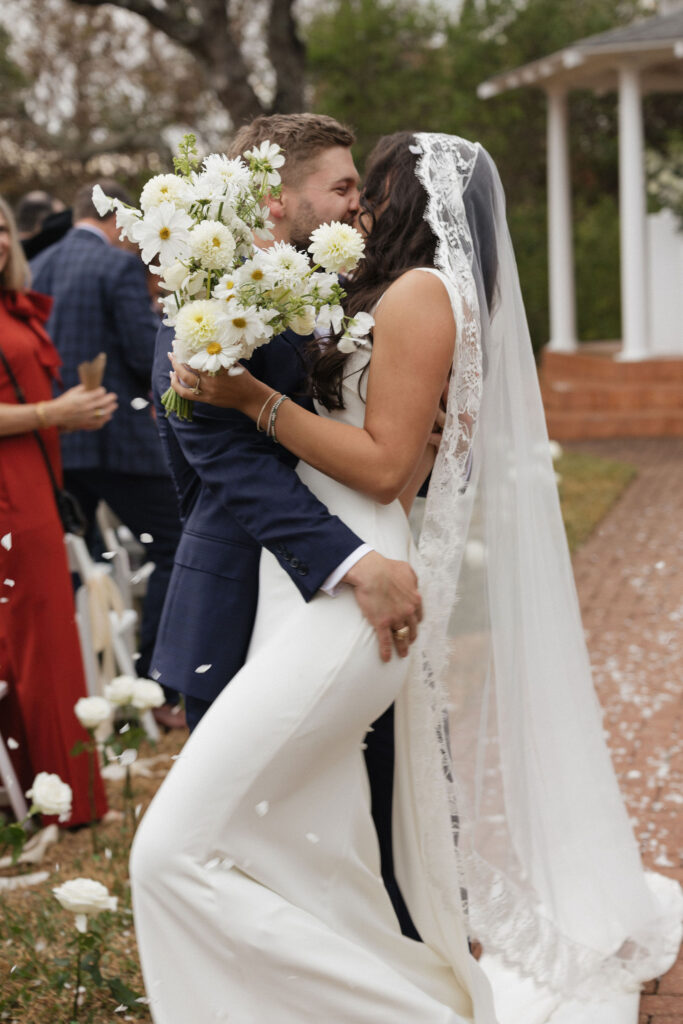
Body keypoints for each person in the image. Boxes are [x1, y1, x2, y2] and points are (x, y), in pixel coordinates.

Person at [131, 132, 682, 1023]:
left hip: (355, 572)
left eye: (366, 185)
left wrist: (253, 402)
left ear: (404, 193)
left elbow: (387, 467)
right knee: (319, 848)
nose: (358, 206)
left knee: (176, 852)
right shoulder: (354, 295)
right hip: (310, 576)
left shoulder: (420, 293)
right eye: (346, 188)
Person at [146, 113, 423, 936]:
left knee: (369, 831)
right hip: (243, 601)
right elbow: (222, 461)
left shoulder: (323, 288)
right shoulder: (207, 291)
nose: (356, 208)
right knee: (248, 853)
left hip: (331, 607)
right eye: (339, 188)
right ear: (275, 199)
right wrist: (349, 563)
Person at [30, 181, 183, 714]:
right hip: (119, 443)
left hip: (57, 443)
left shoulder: (38, 265)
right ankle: (153, 684)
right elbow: (149, 355)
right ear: (119, 220)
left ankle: (79, 685)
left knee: (72, 564)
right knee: (175, 544)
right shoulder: (118, 267)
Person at [0, 195, 115, 826]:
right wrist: (50, 414)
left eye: (0, 225)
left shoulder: (14, 303)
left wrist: (70, 413)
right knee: (35, 646)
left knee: (44, 644)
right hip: (8, 502)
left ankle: (48, 792)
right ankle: (57, 802)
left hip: (36, 487)